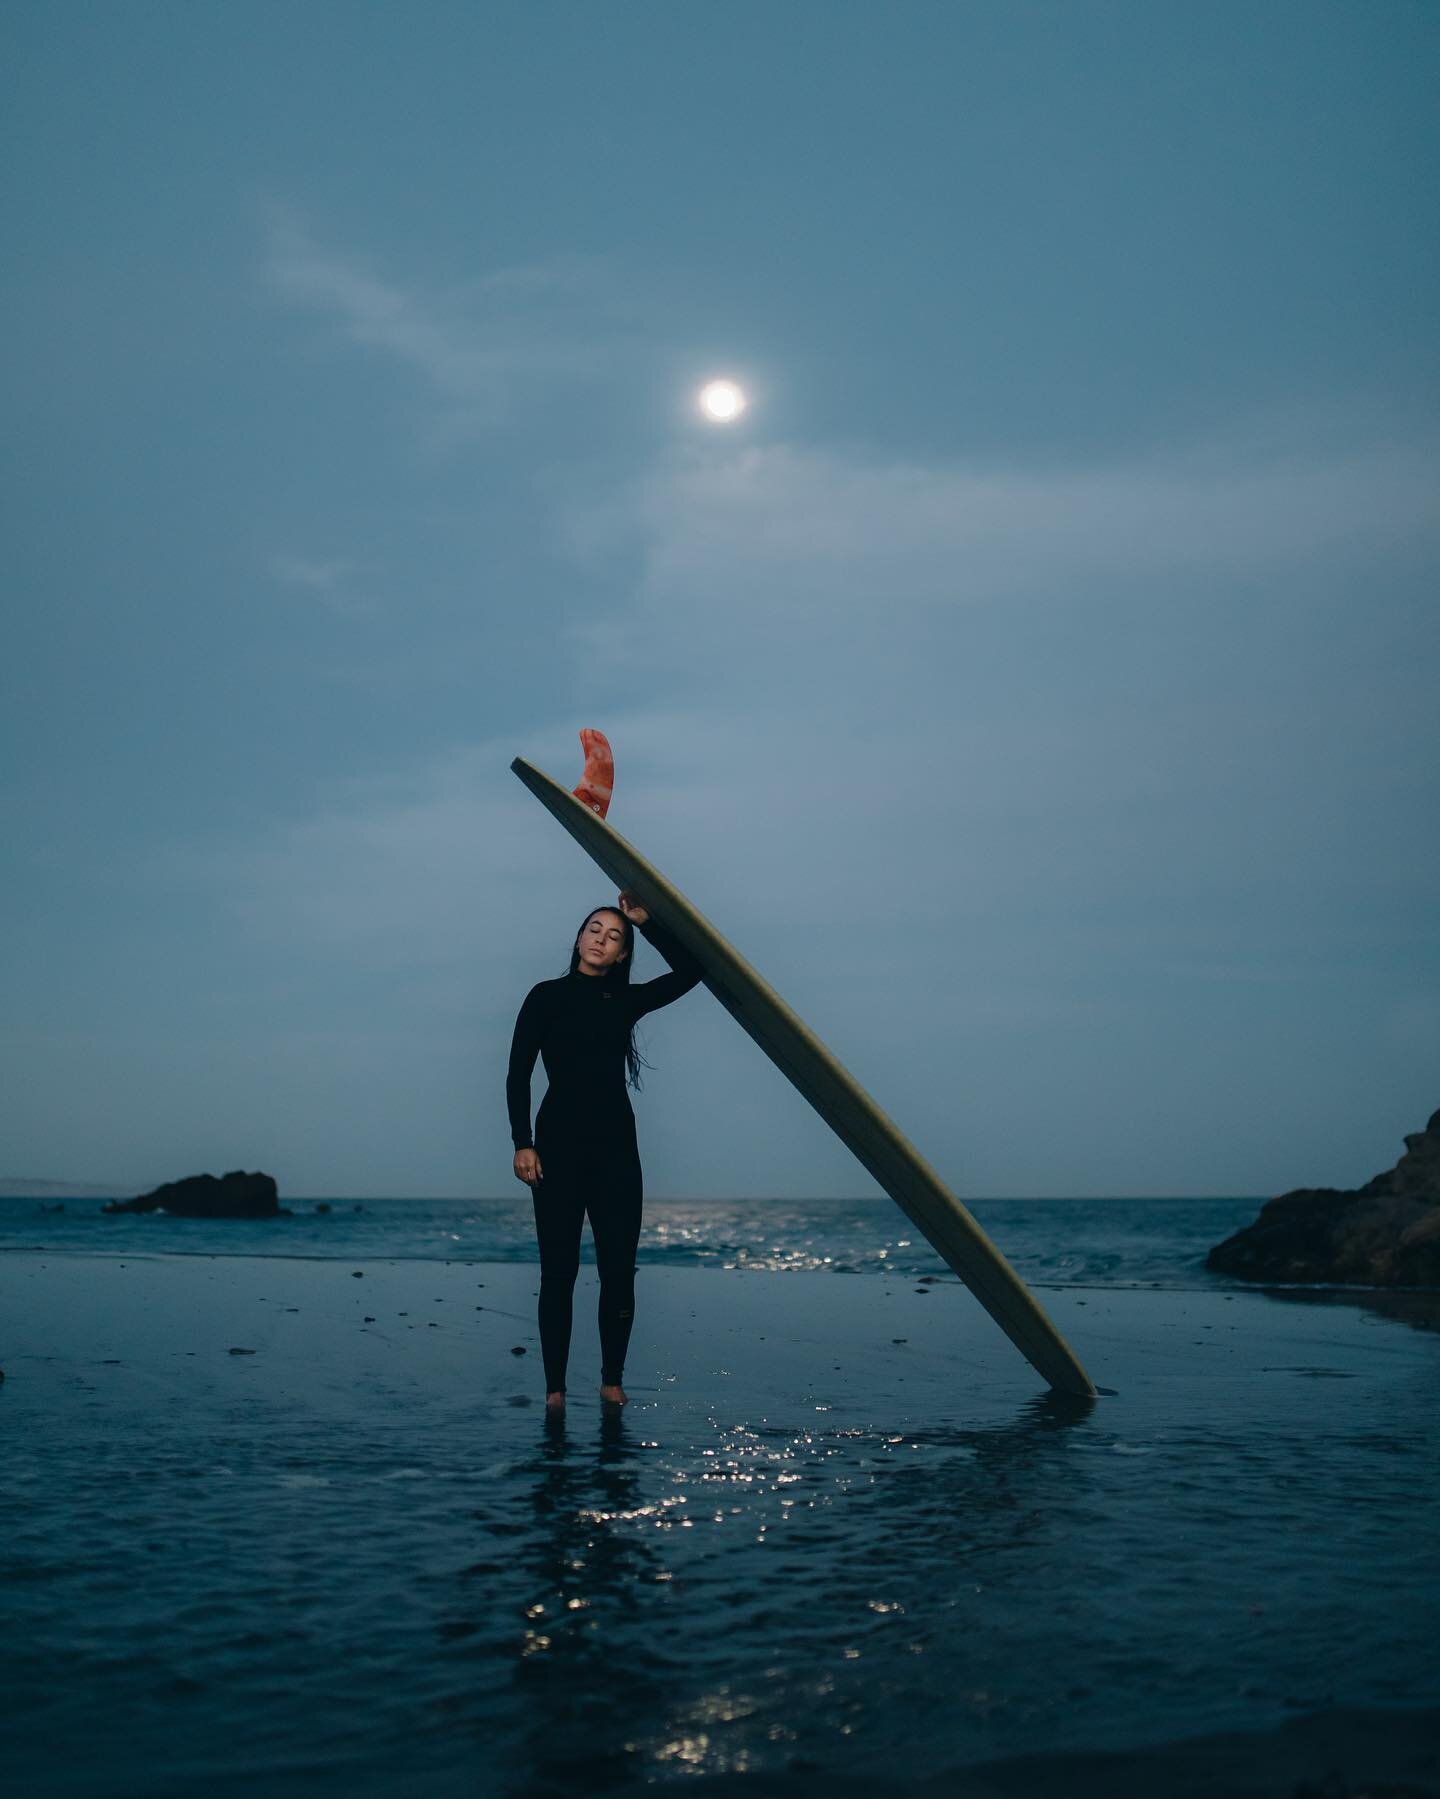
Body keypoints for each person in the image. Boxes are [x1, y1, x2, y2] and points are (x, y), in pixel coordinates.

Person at [506, 890, 703, 1411]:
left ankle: (611, 1381)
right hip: (556, 1150)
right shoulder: (544, 996)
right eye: (594, 929)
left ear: (622, 955)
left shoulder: (626, 1000)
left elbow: (691, 970)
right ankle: (554, 1389)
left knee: (619, 1270)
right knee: (559, 1272)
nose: (602, 939)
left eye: (615, 936)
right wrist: (521, 1142)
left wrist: (648, 922)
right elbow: (518, 1072)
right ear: (577, 939)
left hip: (617, 1152)